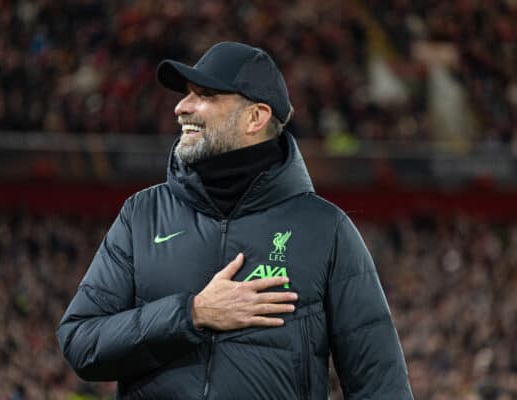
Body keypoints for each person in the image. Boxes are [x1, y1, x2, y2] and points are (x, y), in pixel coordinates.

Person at [57, 41, 413, 399]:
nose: (181, 107)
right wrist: (191, 314)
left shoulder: (326, 229)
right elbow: (80, 341)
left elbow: (381, 385)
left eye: (205, 95)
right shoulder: (142, 215)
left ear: (255, 117)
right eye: (186, 95)